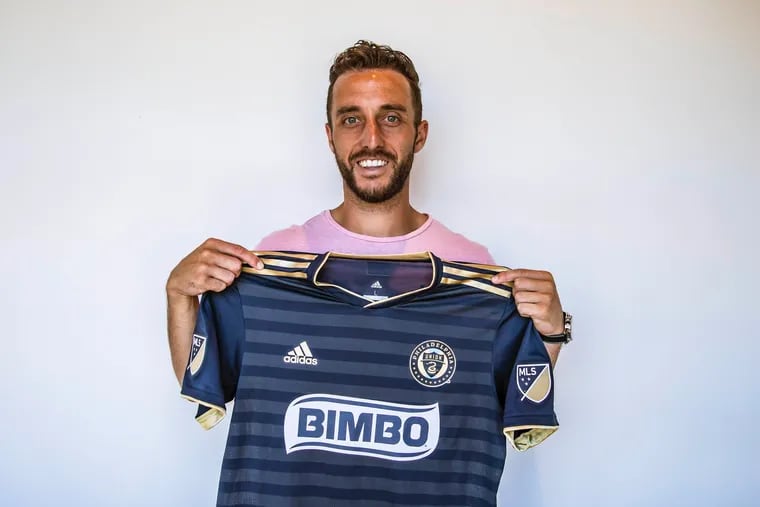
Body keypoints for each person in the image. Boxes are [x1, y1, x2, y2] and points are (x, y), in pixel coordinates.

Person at [166, 39, 569, 386]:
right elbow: (207, 382)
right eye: (351, 119)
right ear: (330, 137)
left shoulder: (474, 269)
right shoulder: (273, 261)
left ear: (420, 134)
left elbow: (499, 398)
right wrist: (179, 297)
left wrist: (551, 333)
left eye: (391, 118)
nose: (371, 139)